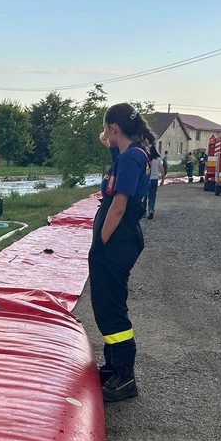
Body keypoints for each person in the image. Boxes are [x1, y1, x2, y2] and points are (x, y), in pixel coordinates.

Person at [90, 102, 154, 403]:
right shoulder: (130, 153)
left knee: (112, 307)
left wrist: (101, 244)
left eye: (107, 128)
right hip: (116, 242)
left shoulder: (131, 159)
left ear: (115, 128)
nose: (105, 134)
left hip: (117, 242)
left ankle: (125, 376)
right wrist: (109, 137)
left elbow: (118, 206)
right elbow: (108, 141)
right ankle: (113, 366)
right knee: (105, 305)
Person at [145, 146, 162, 219]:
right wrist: (163, 180)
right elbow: (162, 170)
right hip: (155, 179)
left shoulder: (147, 160)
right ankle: (151, 210)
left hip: (147, 179)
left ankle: (143, 211)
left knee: (144, 195)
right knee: (152, 196)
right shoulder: (158, 160)